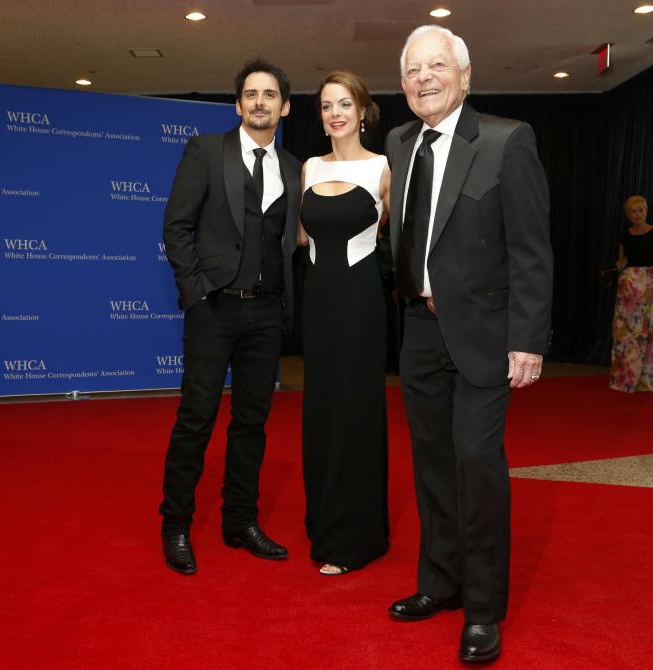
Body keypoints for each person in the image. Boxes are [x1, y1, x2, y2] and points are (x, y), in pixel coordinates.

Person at [384, 26, 553, 663]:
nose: (424, 78)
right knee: (430, 465)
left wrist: (528, 339)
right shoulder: (401, 143)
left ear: (464, 74)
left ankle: (482, 611)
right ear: (402, 84)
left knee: (476, 467)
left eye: (437, 66)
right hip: (421, 331)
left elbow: (533, 251)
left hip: (486, 335)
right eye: (413, 70)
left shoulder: (509, 141)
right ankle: (440, 583)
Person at [158, 58, 302, 574]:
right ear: (238, 104)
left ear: (284, 107)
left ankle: (240, 521)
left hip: (266, 314)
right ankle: (175, 525)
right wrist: (196, 293)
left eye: (269, 95)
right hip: (214, 310)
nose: (259, 102)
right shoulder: (205, 151)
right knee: (195, 420)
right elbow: (176, 227)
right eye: (250, 94)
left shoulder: (292, 166)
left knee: (251, 424)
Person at [298, 70, 392, 576]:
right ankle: (323, 521)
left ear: (362, 111)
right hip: (319, 305)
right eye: (326, 106)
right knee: (322, 412)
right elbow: (300, 237)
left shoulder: (382, 168)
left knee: (356, 413)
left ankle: (356, 537)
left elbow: (401, 237)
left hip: (361, 306)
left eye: (343, 104)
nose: (334, 113)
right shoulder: (309, 167)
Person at [610, 195, 653, 393]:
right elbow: (622, 261)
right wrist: (611, 272)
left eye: (641, 210)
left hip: (650, 287)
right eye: (633, 211)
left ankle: (652, 380)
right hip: (628, 290)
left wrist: (651, 288)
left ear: (646, 211)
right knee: (626, 334)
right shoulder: (624, 235)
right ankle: (627, 378)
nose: (637, 215)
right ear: (628, 214)